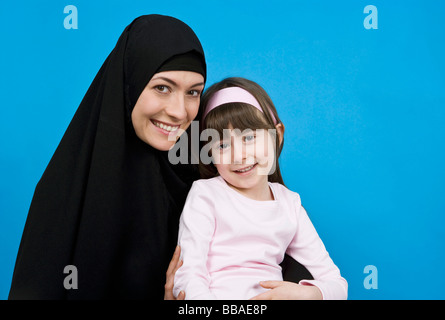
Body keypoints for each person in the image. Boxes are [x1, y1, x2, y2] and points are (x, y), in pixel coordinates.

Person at [9, 14, 207, 299]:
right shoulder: (67, 192)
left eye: (193, 92)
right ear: (128, 84)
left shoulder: (204, 182)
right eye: (162, 87)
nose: (179, 111)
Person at [172, 77, 348, 300]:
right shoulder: (206, 195)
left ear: (278, 135)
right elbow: (188, 275)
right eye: (223, 144)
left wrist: (306, 294)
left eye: (249, 137)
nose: (239, 155)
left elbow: (337, 286)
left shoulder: (289, 204)